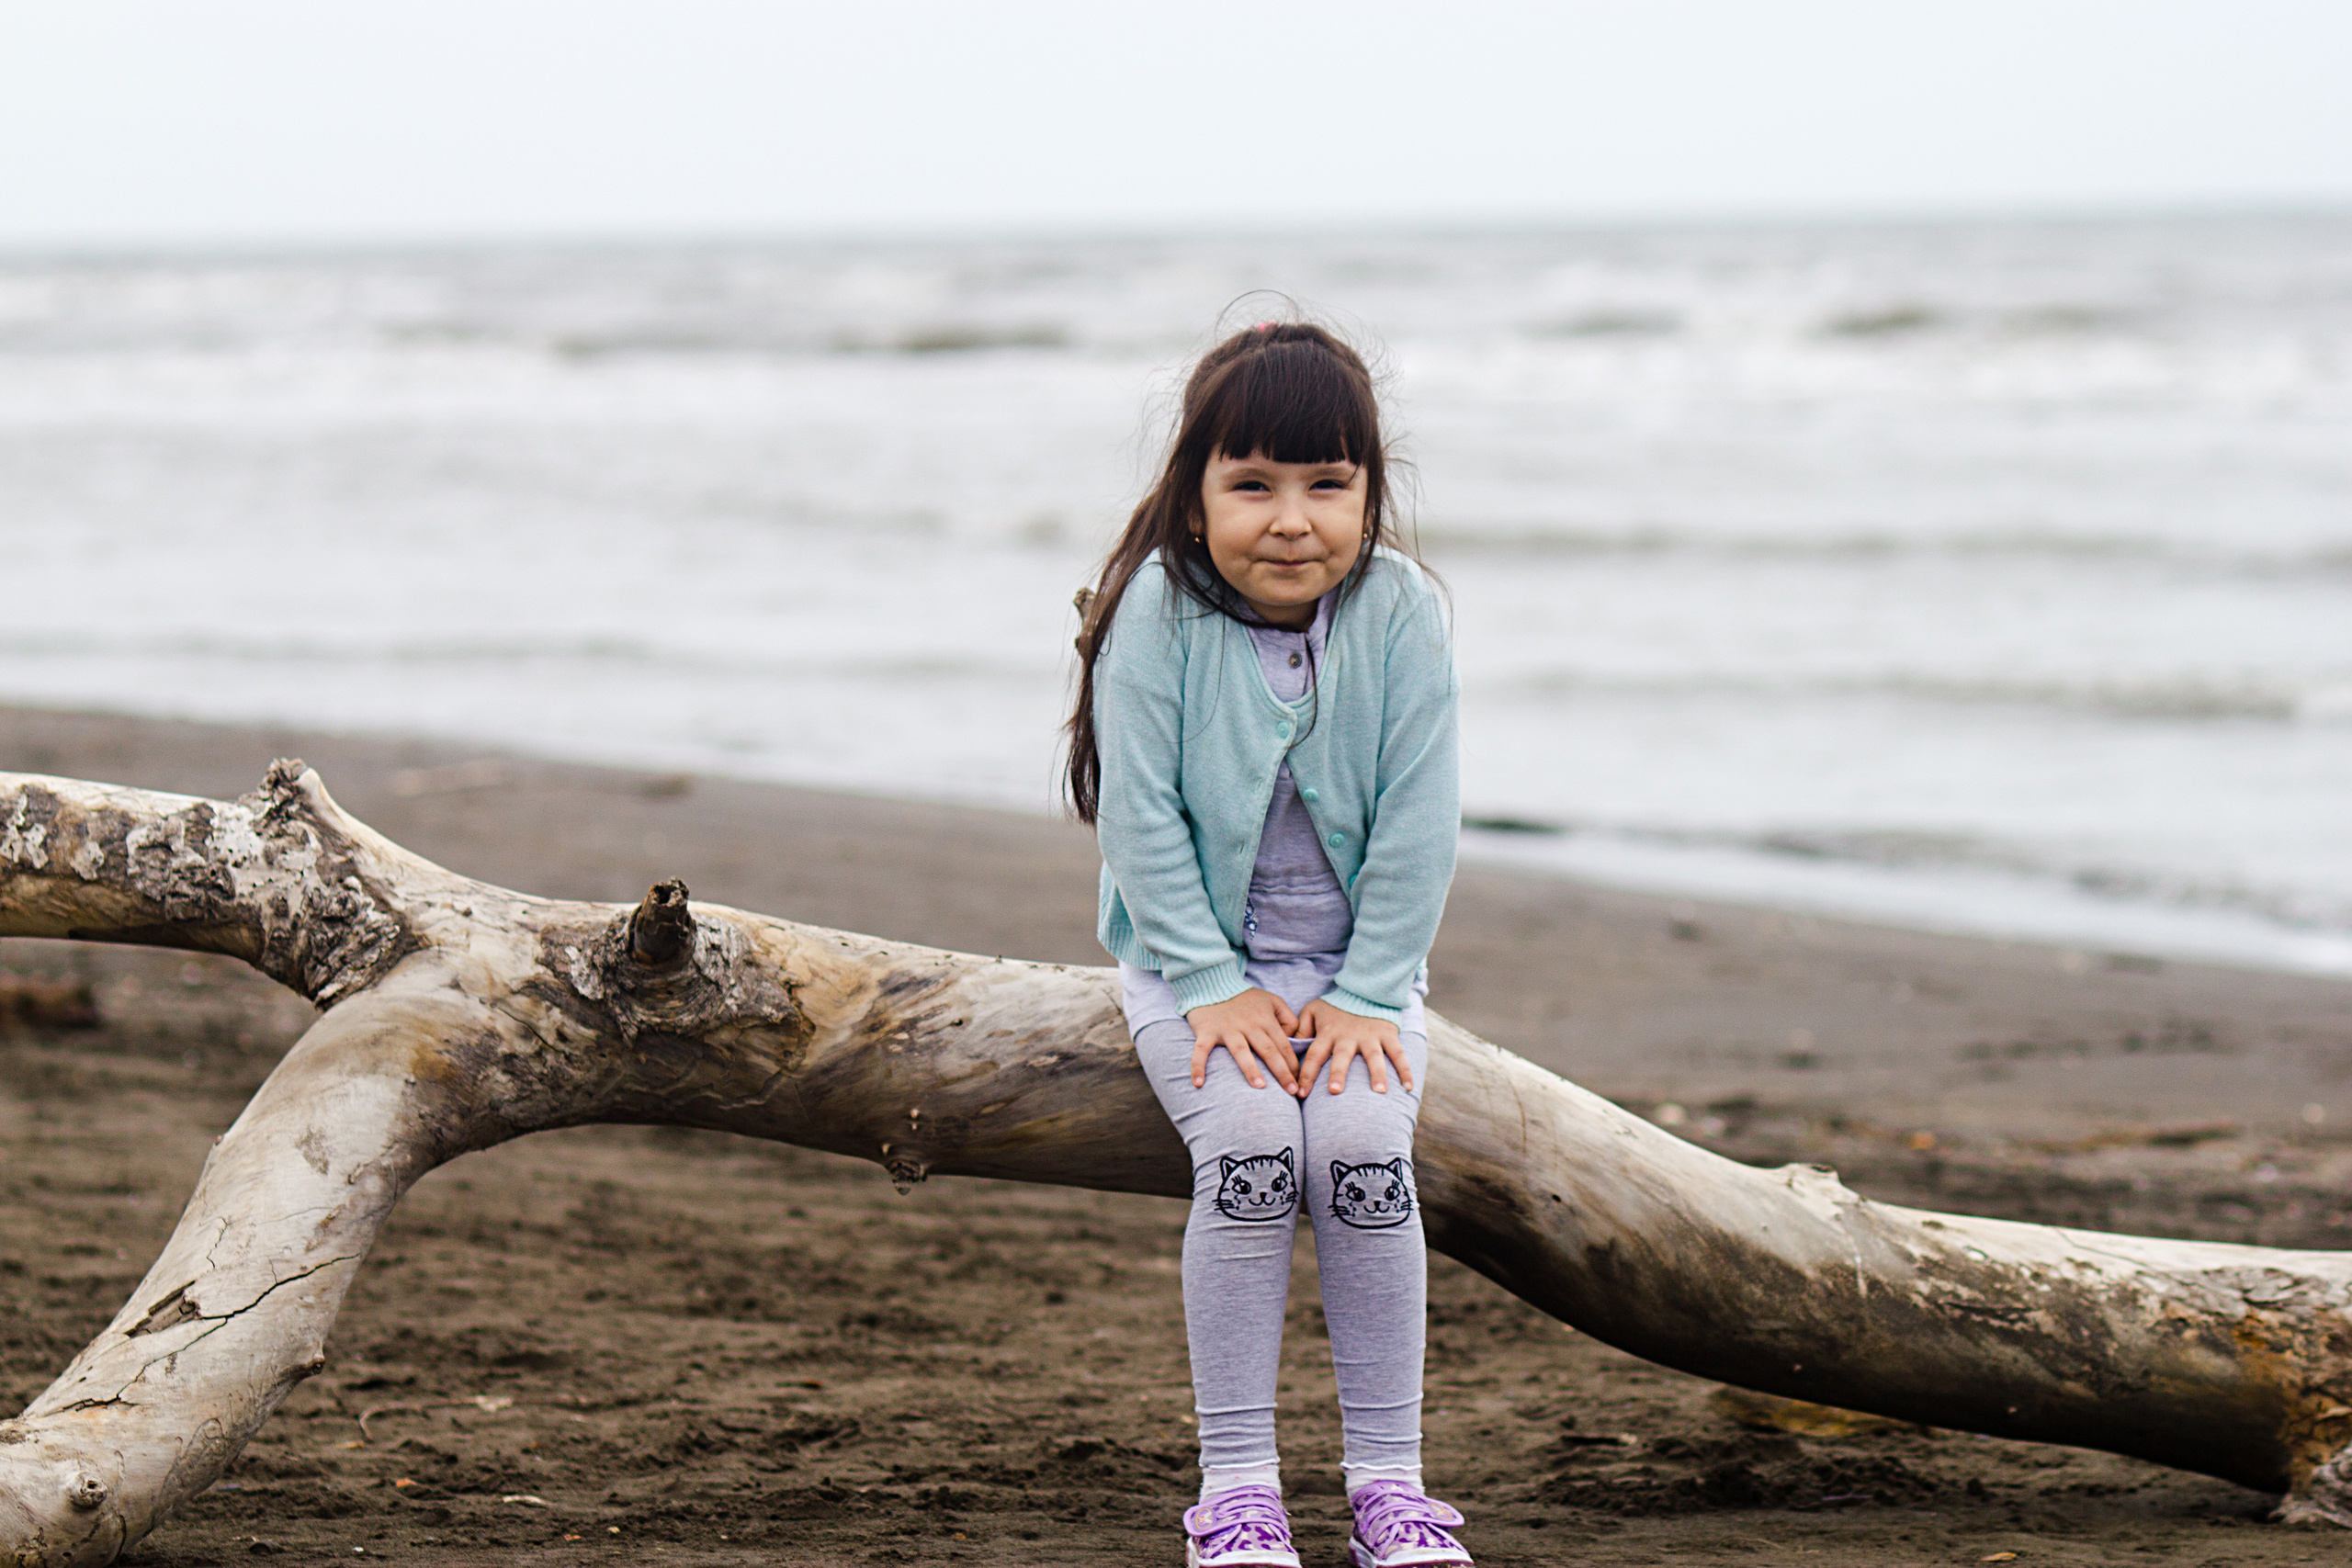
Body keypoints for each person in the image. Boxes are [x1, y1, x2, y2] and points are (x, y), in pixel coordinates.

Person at [1067, 321, 1470, 1568]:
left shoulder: (1401, 611)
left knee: (1362, 1161)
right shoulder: (1158, 608)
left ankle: (1388, 1482)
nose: (1292, 520)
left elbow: (1421, 818)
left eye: (1326, 484)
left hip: (1357, 978)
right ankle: (1237, 1484)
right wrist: (1207, 985)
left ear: (1369, 493)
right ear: (1195, 496)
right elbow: (1138, 813)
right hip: (1190, 967)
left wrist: (1363, 996)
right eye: (1253, 485)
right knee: (1248, 1149)